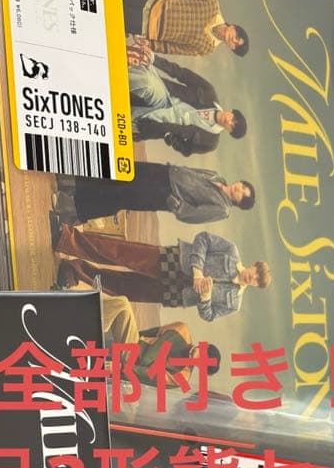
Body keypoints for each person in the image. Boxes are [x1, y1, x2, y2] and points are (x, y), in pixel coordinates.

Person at [55, 225, 271, 318]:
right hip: (172, 260)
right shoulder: (231, 251)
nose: (252, 277)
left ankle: (73, 271)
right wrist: (197, 270)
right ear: (253, 265)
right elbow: (203, 239)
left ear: (255, 285)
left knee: (118, 287)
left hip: (173, 294)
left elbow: (208, 315)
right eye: (255, 272)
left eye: (256, 280)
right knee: (118, 252)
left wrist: (205, 297)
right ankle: (66, 238)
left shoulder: (234, 303)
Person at [51, 161, 254, 226]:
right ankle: (72, 183)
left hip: (165, 193)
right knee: (120, 173)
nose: (239, 189)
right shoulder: (217, 176)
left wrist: (174, 203)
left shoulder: (223, 209)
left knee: (119, 196)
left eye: (243, 194)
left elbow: (194, 215)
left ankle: (71, 209)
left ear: (239, 203)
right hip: (163, 172)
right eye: (243, 186)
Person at [120, 0, 248, 57]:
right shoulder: (212, 3)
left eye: (236, 45)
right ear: (234, 27)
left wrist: (151, 44)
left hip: (143, 25)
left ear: (231, 48)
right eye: (237, 37)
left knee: (109, 12)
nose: (234, 40)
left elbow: (176, 49)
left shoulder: (207, 49)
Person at [129, 56, 246, 157]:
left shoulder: (211, 142)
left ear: (229, 131)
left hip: (159, 124)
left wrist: (170, 136)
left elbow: (186, 150)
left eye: (232, 127)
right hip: (166, 97)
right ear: (231, 111)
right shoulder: (209, 92)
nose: (229, 122)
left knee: (126, 122)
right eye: (233, 119)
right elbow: (181, 73)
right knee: (147, 82)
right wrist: (154, 59)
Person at [101, 297, 221, 389]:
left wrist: (120, 368)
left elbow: (148, 376)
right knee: (122, 304)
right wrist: (125, 336)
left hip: (129, 367)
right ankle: (93, 309)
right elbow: (152, 332)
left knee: (122, 304)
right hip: (132, 347)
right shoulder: (181, 329)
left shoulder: (182, 378)